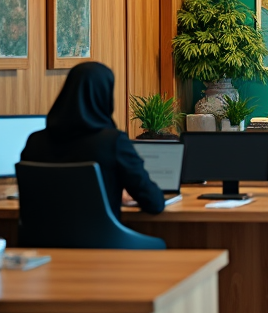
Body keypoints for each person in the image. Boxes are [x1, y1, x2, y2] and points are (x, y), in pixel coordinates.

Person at [21, 61, 165, 216]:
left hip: (39, 239)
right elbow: (154, 203)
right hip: (102, 239)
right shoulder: (113, 142)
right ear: (104, 96)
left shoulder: (34, 142)